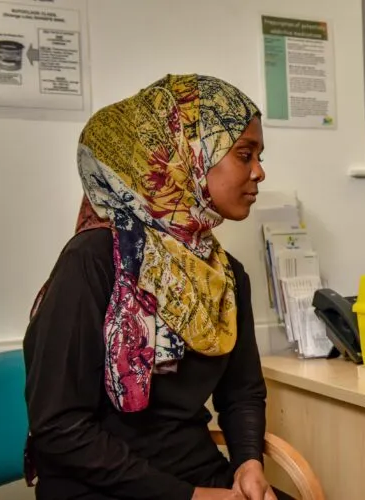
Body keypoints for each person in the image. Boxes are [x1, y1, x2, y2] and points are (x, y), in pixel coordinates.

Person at [23, 74, 276, 500]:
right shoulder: (93, 260)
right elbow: (58, 427)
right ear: (185, 157)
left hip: (197, 474)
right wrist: (188, 497)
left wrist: (249, 463)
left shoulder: (226, 275)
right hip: (98, 487)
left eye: (259, 156)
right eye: (244, 155)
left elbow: (241, 392)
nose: (259, 172)